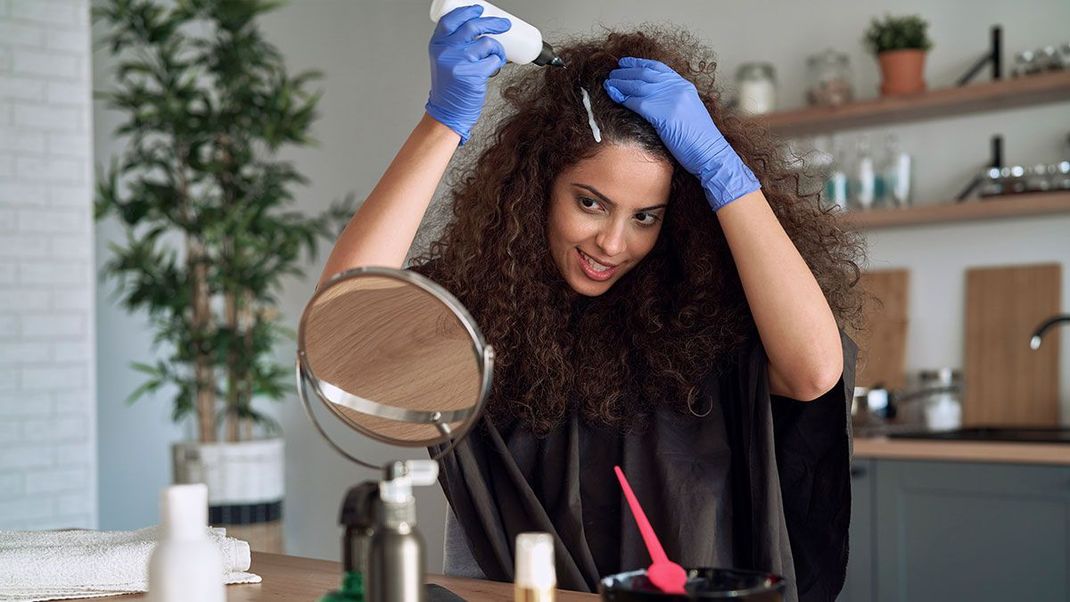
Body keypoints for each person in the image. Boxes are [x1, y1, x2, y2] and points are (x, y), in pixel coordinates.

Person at [317, 6, 864, 602]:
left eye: (645, 217)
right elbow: (341, 332)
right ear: (538, 187)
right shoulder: (479, 312)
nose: (612, 243)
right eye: (591, 203)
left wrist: (722, 171)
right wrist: (443, 122)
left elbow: (815, 370)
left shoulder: (706, 321)